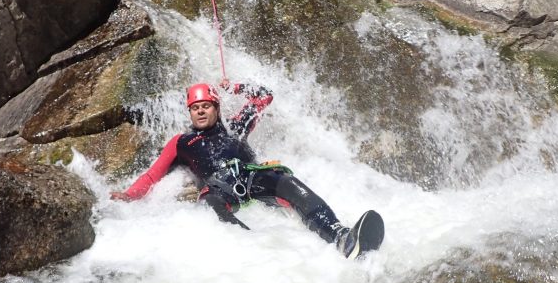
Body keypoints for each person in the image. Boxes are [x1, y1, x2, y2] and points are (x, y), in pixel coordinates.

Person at [110, 80, 371, 259]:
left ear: (216, 108)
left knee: (288, 182)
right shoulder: (181, 143)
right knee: (209, 203)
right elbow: (152, 175)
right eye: (195, 108)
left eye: (205, 106)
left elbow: (264, 95)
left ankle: (340, 236)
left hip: (252, 177)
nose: (200, 112)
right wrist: (130, 195)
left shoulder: (236, 127)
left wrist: (232, 87)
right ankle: (256, 253)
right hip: (219, 190)